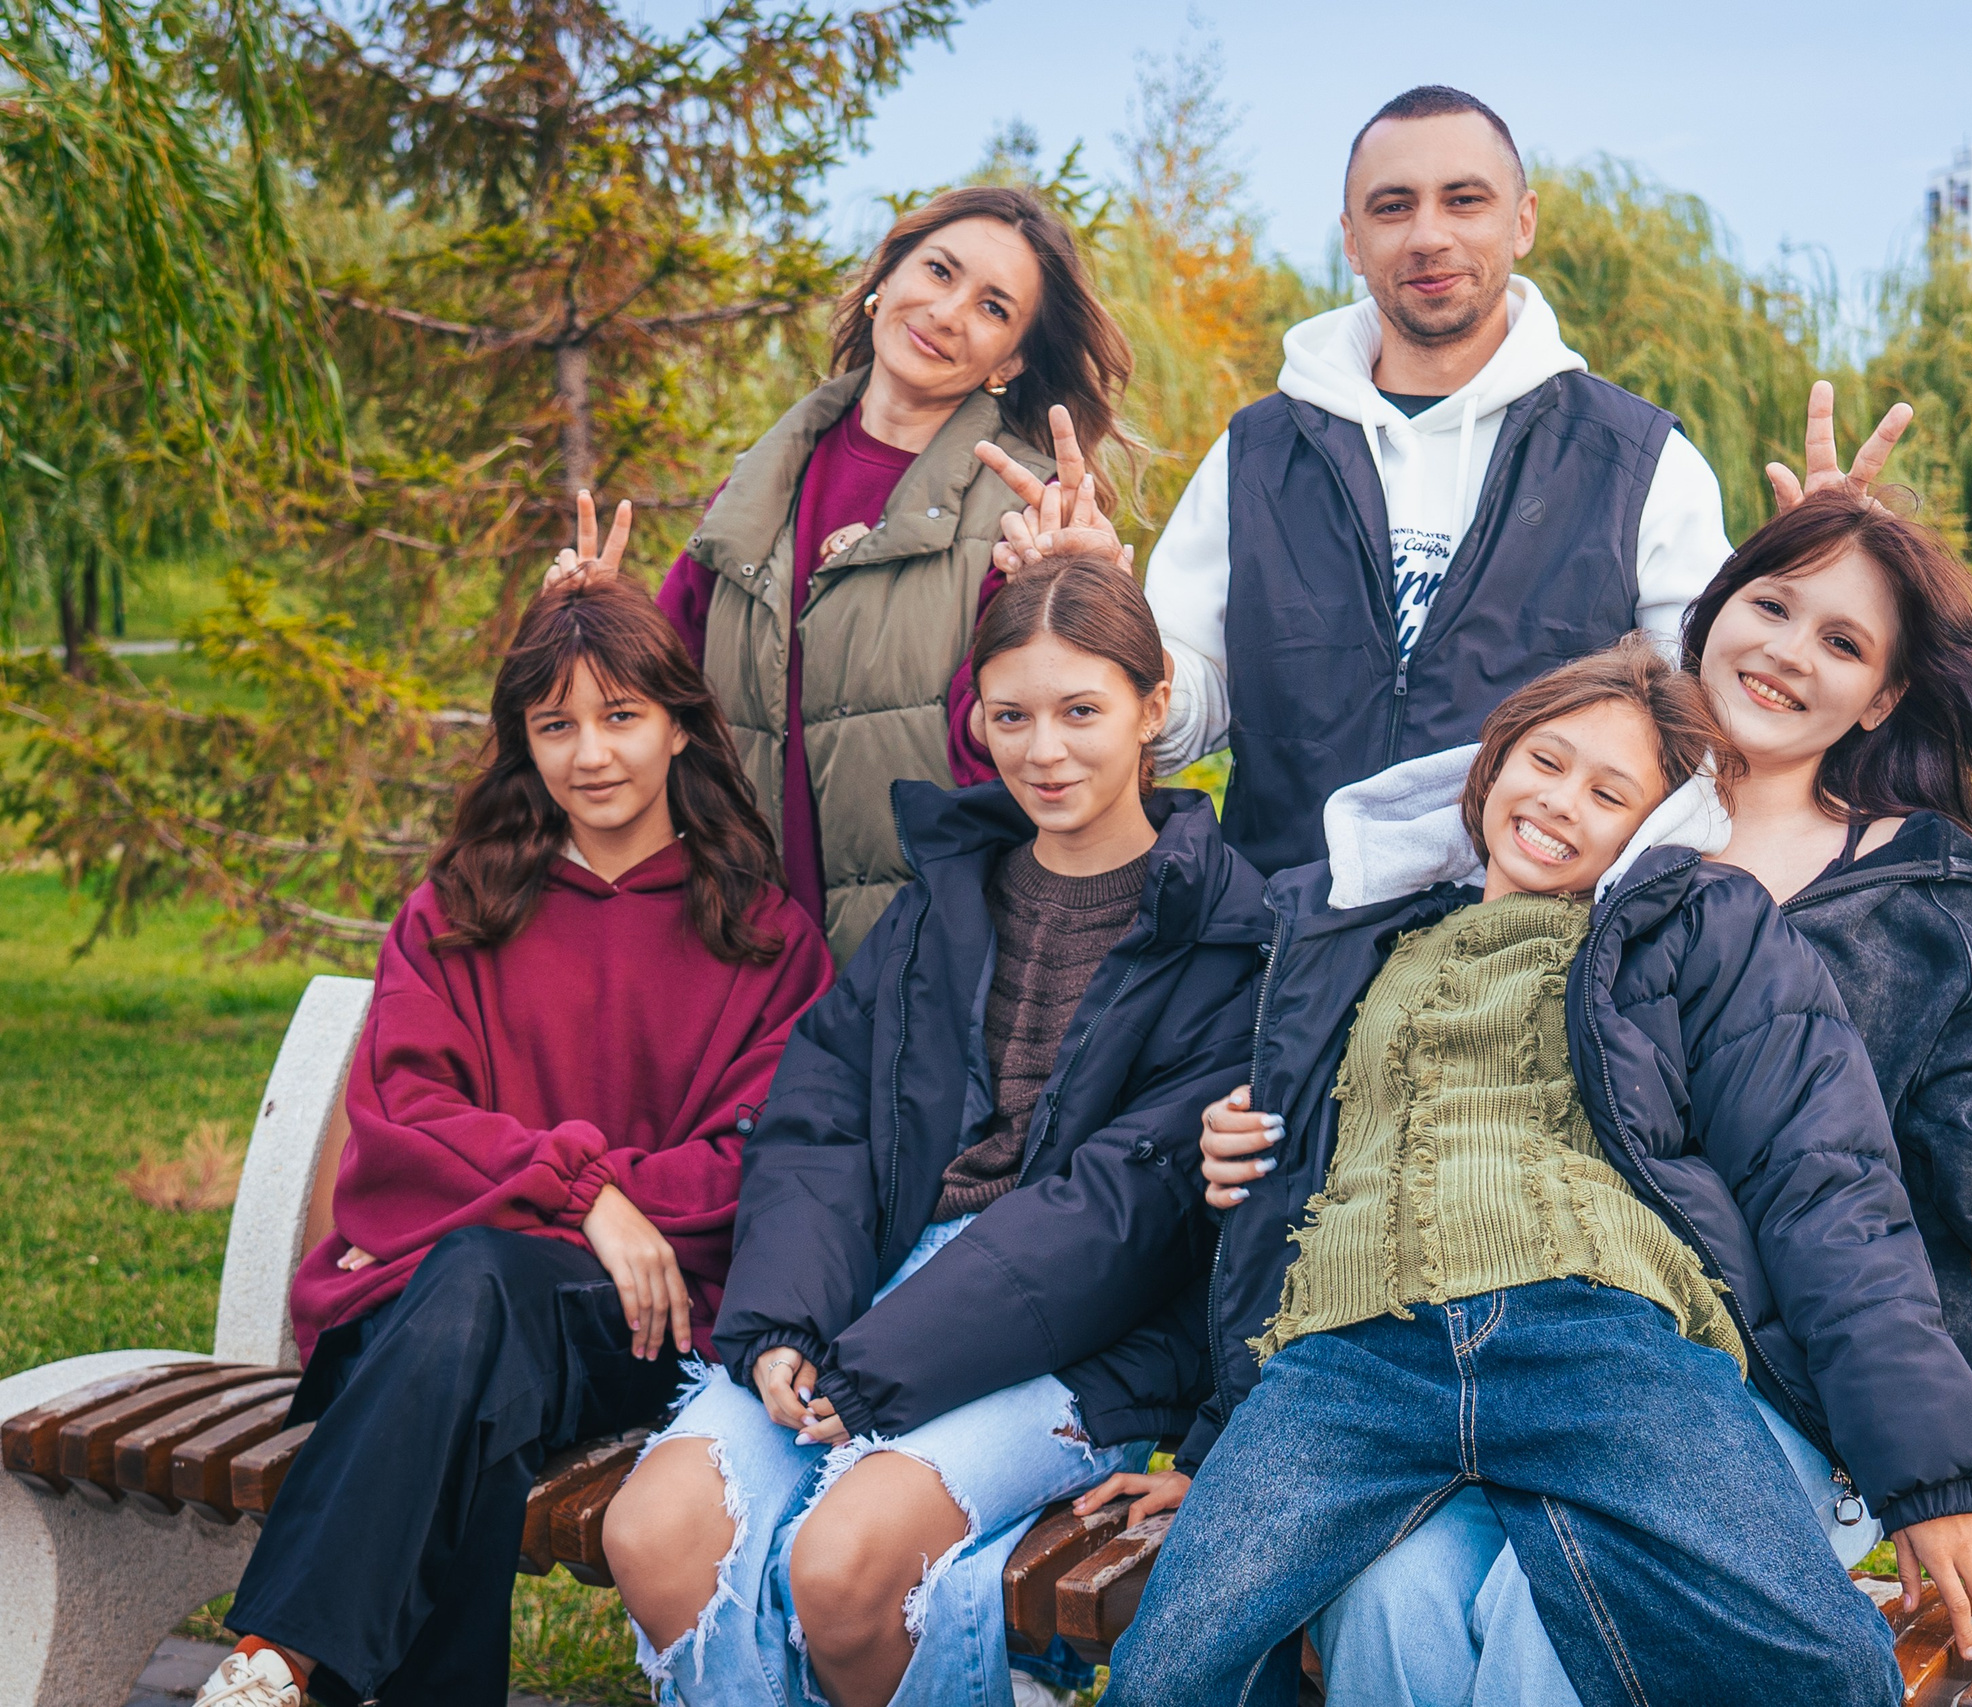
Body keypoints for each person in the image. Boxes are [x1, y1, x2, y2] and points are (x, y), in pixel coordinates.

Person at [1239, 400, 1972, 1706]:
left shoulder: (1932, 906)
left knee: (1551, 1611)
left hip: (1776, 1377)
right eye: (1769, 605)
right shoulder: (1594, 818)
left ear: (1884, 693)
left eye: (1842, 642)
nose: (1785, 654)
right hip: (1516, 1346)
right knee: (1397, 1590)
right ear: (1706, 611)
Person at [1099, 640, 1972, 1707]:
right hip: (1353, 1362)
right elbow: (1291, 1207)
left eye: (1609, 792)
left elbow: (1825, 1184)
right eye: (1545, 760)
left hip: (1593, 1337)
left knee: (1823, 1661)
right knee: (1167, 1669)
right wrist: (1218, 1439)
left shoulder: (1687, 932)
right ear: (1491, 765)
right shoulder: (1358, 940)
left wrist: (1927, 1479)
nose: (1562, 801)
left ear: (1650, 829)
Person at [598, 554, 1267, 1707]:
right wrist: (781, 1330)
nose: (1042, 751)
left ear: (1155, 712)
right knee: (655, 1533)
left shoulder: (1227, 936)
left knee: (845, 1560)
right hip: (865, 1300)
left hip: (1075, 1343)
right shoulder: (946, 900)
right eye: (1009, 716)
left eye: (1080, 713)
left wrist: (869, 1368)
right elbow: (821, 1120)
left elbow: (1118, 1217)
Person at [190, 578, 832, 1707]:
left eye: (621, 715)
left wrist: (571, 1196)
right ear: (522, 743)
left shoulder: (762, 932)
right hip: (427, 1321)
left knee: (481, 1286)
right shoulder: (460, 907)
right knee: (480, 1329)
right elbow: (406, 1119)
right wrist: (587, 1197)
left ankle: (279, 1655)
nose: (591, 754)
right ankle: (292, 1665)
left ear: (679, 723)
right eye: (556, 725)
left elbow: (758, 1160)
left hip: (636, 1329)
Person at [1122, 85, 1735, 876]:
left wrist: (1821, 575)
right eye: (1392, 207)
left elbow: (1700, 730)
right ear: (1350, 238)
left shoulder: (1638, 461)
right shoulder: (1258, 451)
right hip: (1279, 938)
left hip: (1521, 961)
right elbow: (1182, 707)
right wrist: (1102, 643)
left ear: (1523, 221)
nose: (1428, 235)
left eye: (1464, 200)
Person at [552, 184, 1139, 964]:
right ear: (884, 279)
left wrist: (1072, 618)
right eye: (938, 271)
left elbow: (1016, 747)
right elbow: (666, 696)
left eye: (994, 308)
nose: (949, 311)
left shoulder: (1027, 513)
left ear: (1014, 359)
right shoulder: (755, 487)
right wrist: (584, 630)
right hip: (744, 957)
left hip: (927, 971)